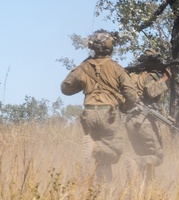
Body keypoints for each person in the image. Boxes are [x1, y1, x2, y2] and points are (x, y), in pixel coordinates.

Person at [60, 30, 138, 181]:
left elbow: (65, 88)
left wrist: (83, 85)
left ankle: (104, 187)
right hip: (109, 114)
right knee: (115, 151)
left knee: (101, 160)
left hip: (88, 113)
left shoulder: (83, 67)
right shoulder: (116, 68)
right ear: (110, 47)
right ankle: (94, 147)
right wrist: (125, 107)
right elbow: (131, 95)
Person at [124, 50, 172, 180]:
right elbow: (150, 92)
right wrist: (164, 79)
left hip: (130, 121)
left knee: (144, 156)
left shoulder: (131, 75)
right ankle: (135, 163)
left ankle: (146, 191)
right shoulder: (150, 75)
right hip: (144, 121)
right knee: (157, 156)